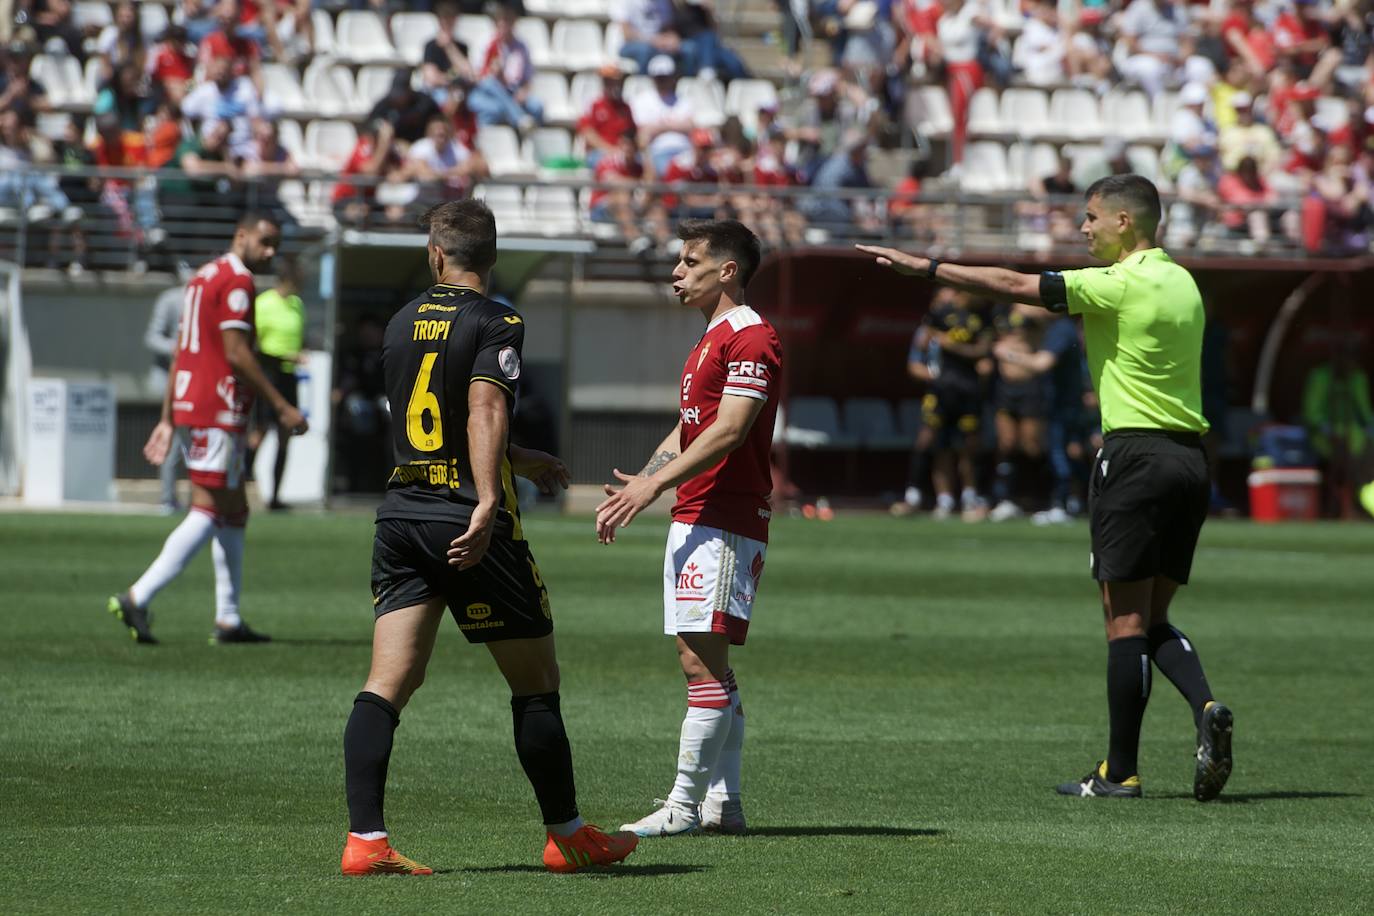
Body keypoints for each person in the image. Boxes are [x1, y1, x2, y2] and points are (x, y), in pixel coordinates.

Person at [857, 173, 1235, 802]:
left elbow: (1011, 285)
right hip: (1191, 461)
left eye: (1090, 218)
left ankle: (1120, 773)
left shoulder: (1116, 283)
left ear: (1125, 223)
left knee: (1124, 623)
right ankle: (1206, 708)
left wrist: (927, 268)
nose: (1081, 229)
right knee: (1156, 617)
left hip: (1135, 457)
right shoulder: (1184, 282)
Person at [341, 200, 638, 875]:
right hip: (468, 520)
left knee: (388, 683)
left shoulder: (398, 321)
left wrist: (519, 457)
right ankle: (567, 838)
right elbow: (482, 407)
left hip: (402, 515)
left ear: (436, 254)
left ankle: (366, 841)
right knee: (536, 682)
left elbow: (434, 417)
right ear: (492, 257)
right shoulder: (497, 319)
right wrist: (485, 498)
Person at [596, 219, 782, 837]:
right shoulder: (711, 338)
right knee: (706, 661)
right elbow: (691, 426)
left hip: (725, 513)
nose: (676, 272)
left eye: (689, 261)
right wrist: (646, 480)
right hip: (697, 509)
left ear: (726, 270)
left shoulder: (752, 337)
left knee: (699, 663)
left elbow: (731, 430)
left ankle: (682, 806)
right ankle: (723, 803)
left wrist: (657, 483)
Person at [107, 213, 308, 646]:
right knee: (209, 507)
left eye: (275, 245)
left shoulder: (201, 277)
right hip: (218, 406)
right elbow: (236, 353)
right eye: (264, 242)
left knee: (234, 509)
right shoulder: (236, 282)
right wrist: (281, 405)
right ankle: (138, 596)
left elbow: (183, 349)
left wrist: (167, 414)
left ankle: (229, 619)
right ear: (241, 235)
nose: (270, 253)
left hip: (194, 402)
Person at [992, 307, 1085, 524]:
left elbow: (1041, 364)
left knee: (1059, 453)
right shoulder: (1052, 328)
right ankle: (1064, 502)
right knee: (1060, 451)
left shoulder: (1061, 329)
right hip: (1058, 401)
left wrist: (1007, 354)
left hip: (1066, 403)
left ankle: (1062, 503)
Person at [249, 256, 306, 510]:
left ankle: (275, 497)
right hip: (268, 375)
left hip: (288, 376)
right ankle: (245, 484)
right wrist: (285, 356)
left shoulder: (297, 305)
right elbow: (254, 347)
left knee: (286, 434)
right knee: (259, 431)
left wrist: (294, 356)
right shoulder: (264, 303)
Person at [145, 284, 189, 513]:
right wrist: (177, 347)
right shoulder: (172, 299)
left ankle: (197, 501)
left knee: (192, 444)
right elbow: (152, 336)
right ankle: (167, 498)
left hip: (195, 381)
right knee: (172, 440)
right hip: (172, 381)